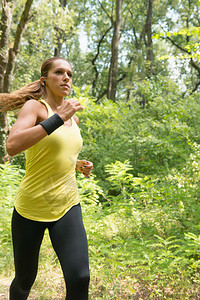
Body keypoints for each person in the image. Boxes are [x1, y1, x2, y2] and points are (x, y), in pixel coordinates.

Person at [1, 57, 93, 299]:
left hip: (66, 205)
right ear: (45, 80)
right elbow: (12, 146)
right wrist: (57, 118)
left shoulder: (74, 118)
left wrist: (78, 165)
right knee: (24, 281)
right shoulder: (36, 108)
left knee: (80, 277)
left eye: (70, 74)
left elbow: (56, 152)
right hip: (31, 207)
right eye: (59, 72)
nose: (66, 78)